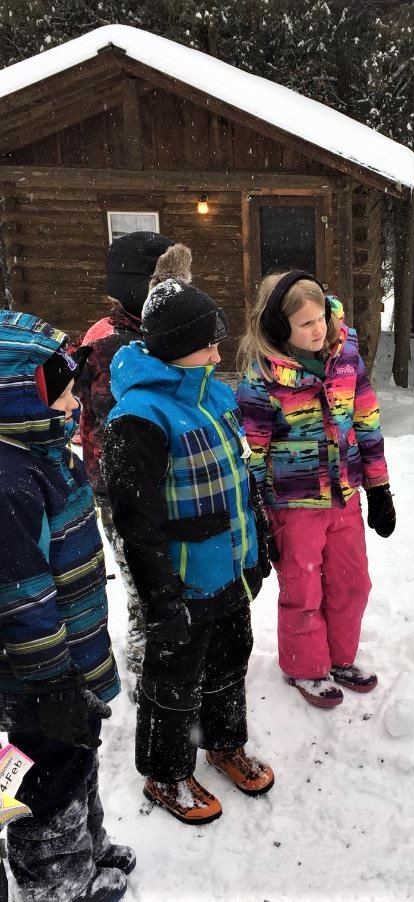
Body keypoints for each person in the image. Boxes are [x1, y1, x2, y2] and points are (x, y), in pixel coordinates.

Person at [101, 275, 275, 824]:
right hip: (179, 580)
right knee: (172, 679)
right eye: (208, 344)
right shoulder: (138, 418)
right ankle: (165, 772)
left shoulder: (215, 394)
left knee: (230, 660)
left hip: (228, 568)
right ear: (175, 349)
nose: (219, 353)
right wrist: (160, 600)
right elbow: (135, 522)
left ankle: (224, 741)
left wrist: (259, 543)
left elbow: (240, 478)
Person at [0, 310, 131, 902]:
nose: (79, 396)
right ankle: (58, 884)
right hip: (36, 680)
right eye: (66, 387)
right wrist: (52, 686)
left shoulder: (49, 454)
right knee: (47, 784)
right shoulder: (11, 484)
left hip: (71, 657)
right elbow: (21, 600)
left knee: (80, 760)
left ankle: (89, 848)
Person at [235, 270, 395, 708]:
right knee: (303, 590)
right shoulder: (262, 377)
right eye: (305, 323)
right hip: (292, 503)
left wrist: (379, 487)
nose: (319, 329)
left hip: (344, 495)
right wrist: (255, 512)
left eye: (321, 317)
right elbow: (251, 449)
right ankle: (305, 667)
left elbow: (366, 419)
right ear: (279, 327)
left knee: (352, 582)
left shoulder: (345, 358)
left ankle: (340, 657)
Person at [79, 231, 180, 682]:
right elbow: (115, 410)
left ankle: (172, 649)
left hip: (165, 476)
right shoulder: (110, 340)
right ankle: (149, 666)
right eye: (168, 281)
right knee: (143, 578)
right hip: (121, 484)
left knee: (168, 570)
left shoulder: (157, 330)